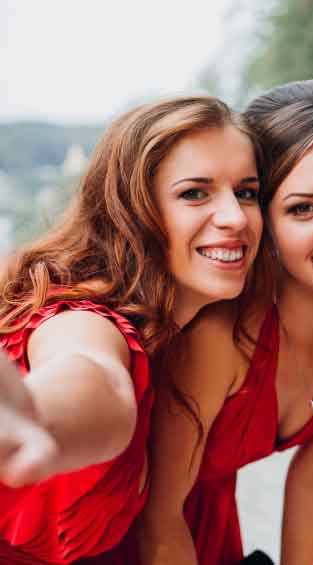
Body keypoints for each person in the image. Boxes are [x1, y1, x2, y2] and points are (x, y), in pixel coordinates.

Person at [137, 80, 313, 565]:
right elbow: (157, 515)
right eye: (303, 208)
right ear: (262, 217)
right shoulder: (221, 332)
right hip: (144, 541)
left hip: (211, 534)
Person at [0, 96, 264, 564]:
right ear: (131, 211)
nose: (236, 217)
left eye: (246, 192)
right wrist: (35, 413)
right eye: (194, 193)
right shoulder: (84, 319)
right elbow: (92, 373)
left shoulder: (190, 337)